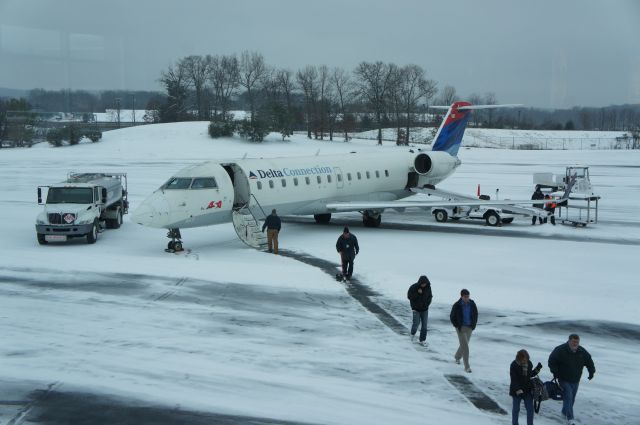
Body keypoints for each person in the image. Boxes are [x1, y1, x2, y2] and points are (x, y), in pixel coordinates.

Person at [548, 334, 596, 424]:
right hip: (563, 379)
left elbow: (589, 361)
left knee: (571, 398)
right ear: (569, 341)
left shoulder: (582, 351)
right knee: (568, 397)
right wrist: (555, 372)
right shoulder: (560, 350)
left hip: (575, 380)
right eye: (574, 342)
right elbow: (552, 360)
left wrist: (591, 372)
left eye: (577, 342)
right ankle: (570, 418)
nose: (575, 344)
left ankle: (564, 413)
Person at [510, 349, 543, 425]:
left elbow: (530, 375)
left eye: (527, 359)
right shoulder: (514, 365)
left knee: (530, 410)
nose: (526, 361)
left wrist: (538, 369)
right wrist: (518, 390)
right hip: (516, 390)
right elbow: (514, 380)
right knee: (516, 409)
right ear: (519, 358)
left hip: (527, 390)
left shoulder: (529, 363)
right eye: (524, 359)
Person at [449, 289, 478, 373]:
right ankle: (467, 367)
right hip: (461, 328)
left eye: (468, 296)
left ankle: (457, 357)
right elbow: (452, 317)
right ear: (461, 296)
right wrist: (457, 326)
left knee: (464, 344)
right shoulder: (457, 305)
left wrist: (473, 325)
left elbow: (475, 314)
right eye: (465, 297)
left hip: (469, 327)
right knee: (465, 347)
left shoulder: (472, 304)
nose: (467, 298)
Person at [407, 275, 433, 346]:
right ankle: (412, 334)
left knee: (424, 326)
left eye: (425, 283)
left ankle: (422, 340)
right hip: (416, 309)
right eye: (423, 283)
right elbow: (409, 296)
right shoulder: (413, 287)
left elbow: (430, 296)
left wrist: (427, 304)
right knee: (416, 324)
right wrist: (418, 293)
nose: (424, 285)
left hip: (425, 309)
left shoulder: (428, 288)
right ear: (420, 282)